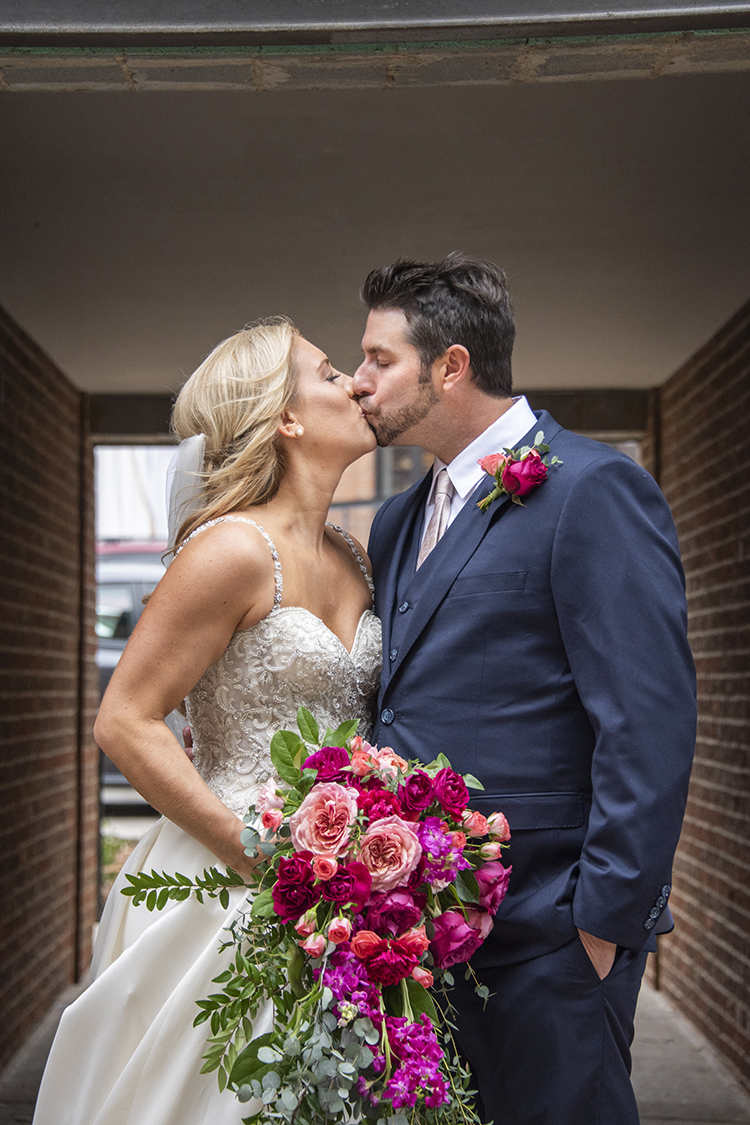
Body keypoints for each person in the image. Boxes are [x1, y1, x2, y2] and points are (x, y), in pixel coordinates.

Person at [351, 253, 696, 1125]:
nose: (359, 382)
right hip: (418, 937)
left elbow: (647, 723)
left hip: (552, 932)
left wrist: (599, 924)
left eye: (378, 359)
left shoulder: (592, 489)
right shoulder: (395, 521)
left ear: (451, 365)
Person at [33, 318, 382, 1125]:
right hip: (225, 881)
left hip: (342, 894)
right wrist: (258, 856)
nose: (356, 383)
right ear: (287, 418)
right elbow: (124, 720)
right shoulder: (229, 551)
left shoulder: (354, 555)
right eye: (331, 372)